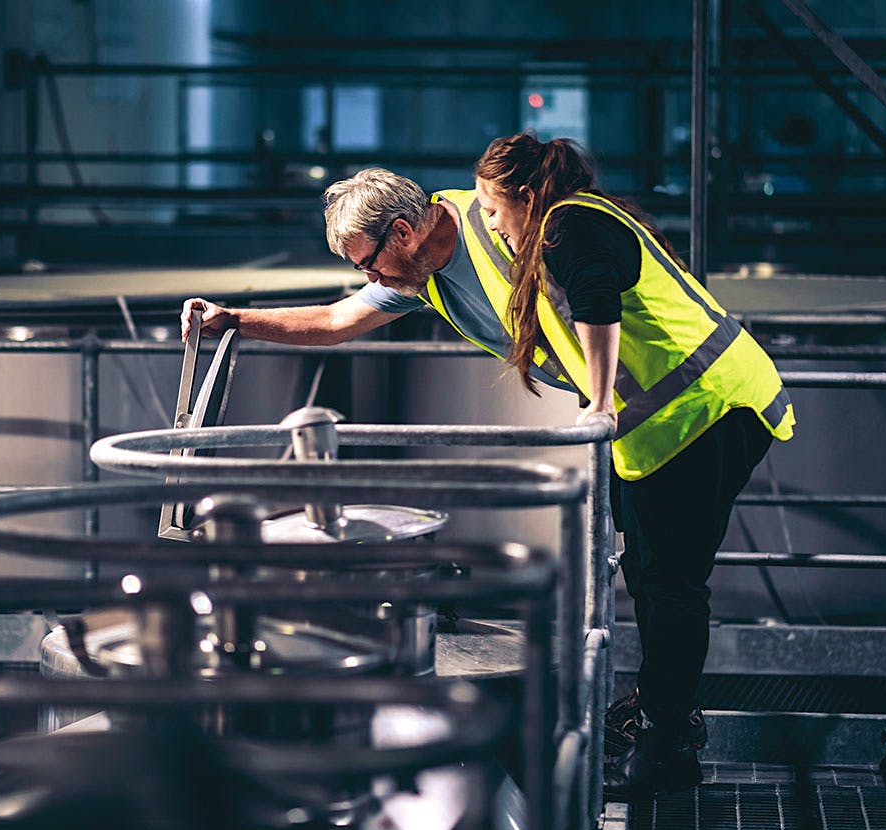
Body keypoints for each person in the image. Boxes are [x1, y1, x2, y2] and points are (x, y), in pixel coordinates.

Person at [184, 137, 793, 796]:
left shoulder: (521, 226)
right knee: (650, 571)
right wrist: (234, 320)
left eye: (370, 263)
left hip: (708, 401)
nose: (372, 279)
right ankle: (659, 713)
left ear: (404, 232)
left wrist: (594, 401)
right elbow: (336, 321)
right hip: (653, 424)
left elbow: (594, 289)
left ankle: (668, 748)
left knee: (669, 581)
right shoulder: (421, 271)